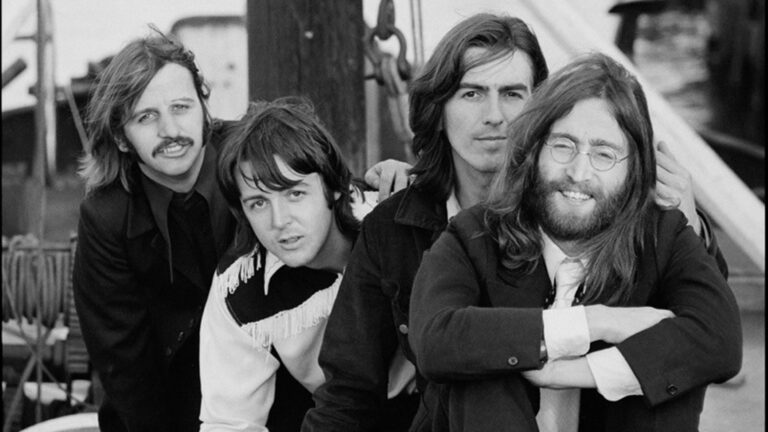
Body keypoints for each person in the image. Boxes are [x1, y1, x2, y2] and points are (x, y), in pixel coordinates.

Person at [303, 13, 717, 432]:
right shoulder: (395, 227)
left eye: (513, 94)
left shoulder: (581, 205)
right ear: (438, 108)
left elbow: (701, 324)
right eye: (471, 93)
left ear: (543, 111)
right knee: (478, 359)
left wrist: (689, 227)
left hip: (598, 414)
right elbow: (351, 389)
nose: (494, 116)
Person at [72, 28, 411, 432]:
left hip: (290, 388)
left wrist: (391, 183)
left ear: (204, 106)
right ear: (122, 138)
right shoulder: (106, 217)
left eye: (181, 107)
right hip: (168, 401)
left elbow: (317, 186)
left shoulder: (250, 154)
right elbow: (124, 361)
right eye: (146, 117)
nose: (169, 130)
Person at [408, 52, 741, 432]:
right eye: (563, 145)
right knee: (483, 357)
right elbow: (433, 340)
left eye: (604, 154)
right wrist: (597, 323)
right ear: (534, 150)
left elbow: (720, 341)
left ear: (634, 169)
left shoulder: (662, 236)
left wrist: (573, 372)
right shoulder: (475, 234)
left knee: (667, 370)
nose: (579, 173)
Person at [199, 97, 378, 431]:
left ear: (334, 186)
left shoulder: (389, 227)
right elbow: (229, 422)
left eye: (295, 194)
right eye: (258, 203)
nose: (279, 221)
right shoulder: (240, 288)